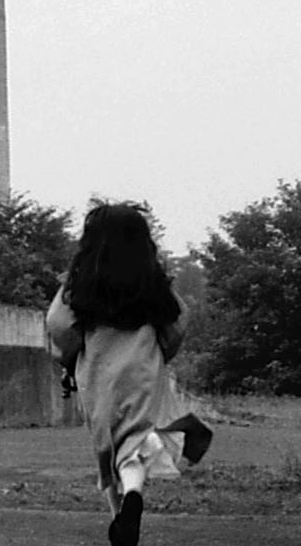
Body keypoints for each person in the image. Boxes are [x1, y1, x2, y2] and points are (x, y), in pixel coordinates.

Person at [45, 202, 213, 546]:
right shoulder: (154, 285)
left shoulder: (79, 286)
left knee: (108, 445)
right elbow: (178, 322)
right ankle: (132, 496)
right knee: (137, 438)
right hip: (143, 369)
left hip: (98, 372)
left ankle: (119, 517)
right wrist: (160, 353)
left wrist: (71, 357)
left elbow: (58, 325)